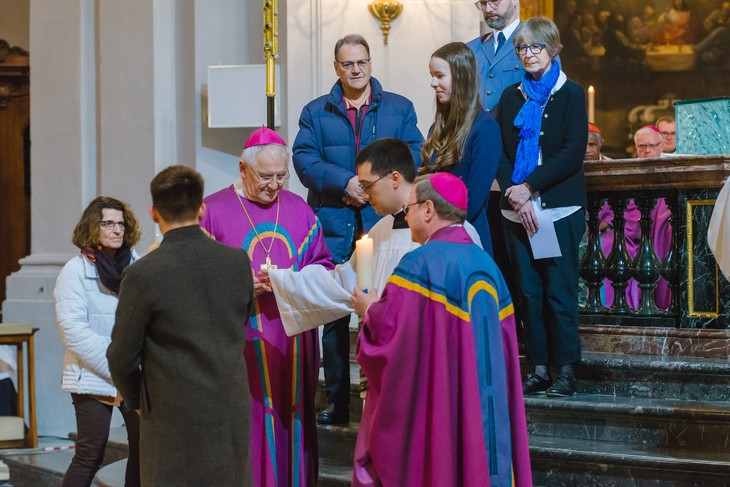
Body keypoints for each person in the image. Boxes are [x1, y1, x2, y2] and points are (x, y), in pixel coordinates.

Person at [350, 173, 531, 487]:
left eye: (410, 208)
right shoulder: (488, 265)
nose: (406, 216)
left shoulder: (419, 264)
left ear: (429, 209)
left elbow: (390, 341)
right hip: (485, 413)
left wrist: (369, 311)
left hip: (443, 408)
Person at [292, 33, 423, 426]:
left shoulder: (399, 108)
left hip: (384, 225)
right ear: (336, 67)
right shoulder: (316, 112)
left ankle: (386, 393)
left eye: (361, 62)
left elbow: (414, 153)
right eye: (347, 64)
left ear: (371, 63)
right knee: (334, 311)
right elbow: (304, 159)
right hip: (335, 223)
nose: (356, 69)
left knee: (386, 306)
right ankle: (336, 401)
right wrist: (345, 182)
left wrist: (375, 186)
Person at [200, 128, 333, 486]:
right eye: (266, 177)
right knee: (248, 423)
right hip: (240, 342)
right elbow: (196, 281)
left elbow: (324, 267)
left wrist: (294, 280)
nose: (275, 185)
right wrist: (244, 287)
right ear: (242, 170)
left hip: (291, 343)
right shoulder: (210, 212)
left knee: (291, 422)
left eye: (281, 176)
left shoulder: (300, 210)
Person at [108, 166, 254, 486]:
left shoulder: (143, 274)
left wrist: (138, 401)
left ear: (153, 213)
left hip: (172, 413)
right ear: (202, 209)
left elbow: (121, 357)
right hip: (231, 407)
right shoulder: (238, 262)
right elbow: (240, 325)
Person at [267, 137, 482, 335]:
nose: (365, 195)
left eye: (368, 186)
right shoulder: (380, 230)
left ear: (394, 178)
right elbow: (342, 283)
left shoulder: (450, 229)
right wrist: (283, 281)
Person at [494, 17, 588, 398]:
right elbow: (501, 152)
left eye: (535, 47)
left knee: (558, 290)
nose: (528, 54)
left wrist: (530, 186)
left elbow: (571, 153)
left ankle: (565, 370)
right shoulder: (510, 97)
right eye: (522, 48)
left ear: (552, 49)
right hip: (516, 209)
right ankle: (539, 368)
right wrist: (515, 191)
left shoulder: (571, 93)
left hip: (558, 208)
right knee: (529, 292)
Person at [54, 196, 141, 487]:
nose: (117, 229)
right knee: (90, 454)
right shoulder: (75, 270)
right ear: (93, 227)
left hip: (132, 373)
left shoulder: (137, 266)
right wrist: (118, 364)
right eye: (108, 223)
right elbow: (73, 331)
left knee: (144, 451)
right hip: (91, 374)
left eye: (120, 223)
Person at [420, 41, 502, 254]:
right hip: (434, 235)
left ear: (461, 76)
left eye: (439, 76)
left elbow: (473, 200)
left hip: (467, 236)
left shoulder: (485, 128)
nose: (432, 83)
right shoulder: (436, 129)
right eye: (432, 75)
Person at [598, 126, 673, 310]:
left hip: (658, 226)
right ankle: (618, 303)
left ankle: (660, 302)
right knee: (609, 244)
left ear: (661, 145)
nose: (647, 151)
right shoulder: (627, 170)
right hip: (627, 229)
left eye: (651, 145)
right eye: (641, 146)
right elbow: (615, 204)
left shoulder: (671, 169)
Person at [467, 0, 523, 114]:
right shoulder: (471, 48)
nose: (488, 9)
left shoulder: (537, 44)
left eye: (494, 1)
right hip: (479, 130)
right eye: (483, 3)